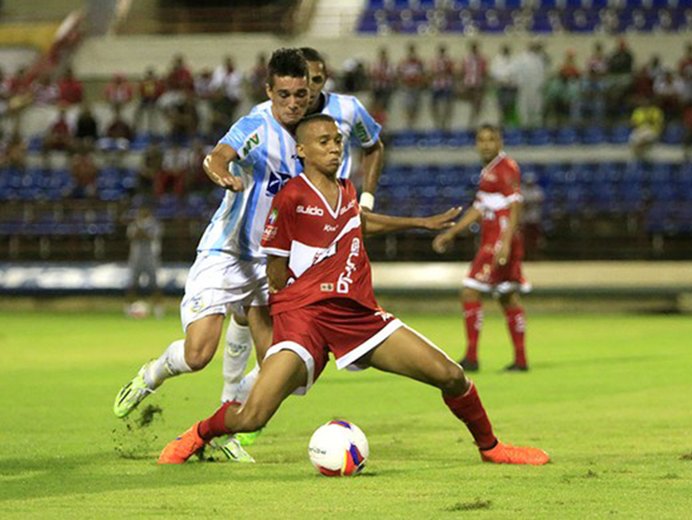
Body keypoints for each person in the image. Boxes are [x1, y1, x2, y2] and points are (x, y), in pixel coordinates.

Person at [157, 114, 550, 466]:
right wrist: (289, 315)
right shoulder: (290, 196)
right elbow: (274, 271)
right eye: (324, 141)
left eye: (337, 141)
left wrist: (420, 222)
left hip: (357, 316)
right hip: (305, 319)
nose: (334, 148)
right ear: (302, 150)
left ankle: (491, 448)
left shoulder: (346, 190)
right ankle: (199, 433)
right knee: (251, 416)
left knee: (450, 374)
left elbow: (360, 222)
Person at [113, 49, 311, 465]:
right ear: (269, 91)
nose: (293, 103)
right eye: (285, 95)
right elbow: (220, 153)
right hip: (226, 253)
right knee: (198, 354)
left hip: (268, 264)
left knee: (279, 368)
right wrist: (221, 170)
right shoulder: (256, 126)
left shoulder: (313, 136)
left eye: (301, 94)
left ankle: (228, 432)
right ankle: (153, 373)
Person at [220, 46, 387, 433]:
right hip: (279, 233)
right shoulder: (275, 121)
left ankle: (238, 401)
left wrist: (365, 198)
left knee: (292, 364)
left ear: (322, 79)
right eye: (296, 86)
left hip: (327, 232)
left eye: (311, 83)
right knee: (273, 334)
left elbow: (374, 144)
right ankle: (230, 405)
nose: (304, 93)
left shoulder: (345, 112)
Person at [432, 125, 530, 372]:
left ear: (500, 142)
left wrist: (506, 243)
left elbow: (516, 206)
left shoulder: (506, 168)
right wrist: (451, 233)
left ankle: (472, 357)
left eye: (491, 139)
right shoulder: (488, 172)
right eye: (481, 140)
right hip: (496, 240)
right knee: (507, 297)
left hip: (498, 241)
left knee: (469, 291)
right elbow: (478, 209)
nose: (485, 144)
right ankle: (520, 360)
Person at [125, 204, 163, 318]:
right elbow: (132, 236)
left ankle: (158, 309)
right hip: (136, 257)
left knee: (154, 284)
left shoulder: (154, 224)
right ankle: (128, 308)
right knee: (132, 284)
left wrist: (141, 231)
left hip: (151, 257)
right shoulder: (134, 225)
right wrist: (141, 231)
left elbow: (150, 236)